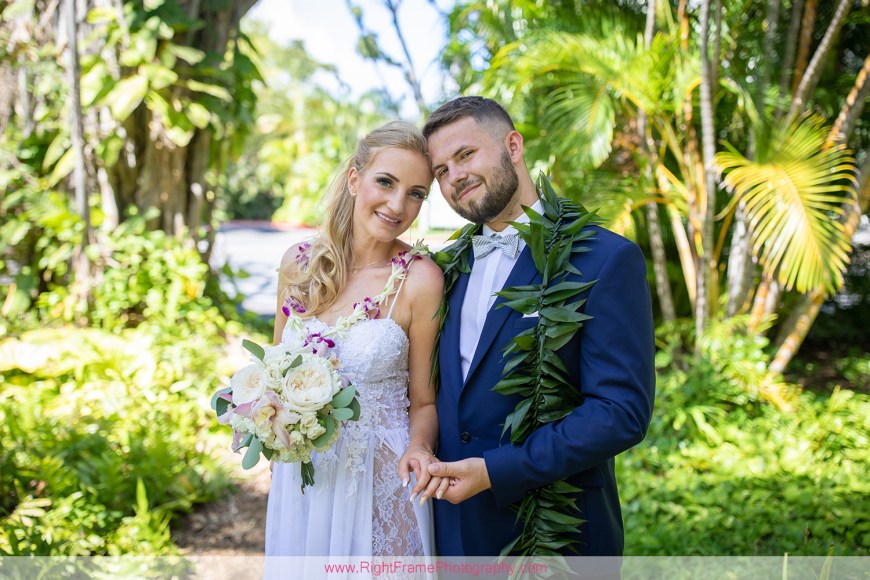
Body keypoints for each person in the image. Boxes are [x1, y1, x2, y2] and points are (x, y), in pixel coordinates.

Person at [412, 96, 656, 558]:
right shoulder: (441, 271)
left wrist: (496, 470)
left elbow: (620, 411)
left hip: (559, 541)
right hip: (453, 534)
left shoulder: (604, 259)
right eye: (441, 170)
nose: (455, 177)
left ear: (513, 145)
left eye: (466, 155)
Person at [264, 121, 445, 559]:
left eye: (416, 193)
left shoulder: (420, 279)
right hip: (303, 481)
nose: (398, 204)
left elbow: (424, 401)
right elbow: (273, 373)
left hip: (381, 485)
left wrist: (420, 447)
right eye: (386, 182)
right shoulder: (299, 265)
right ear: (353, 179)